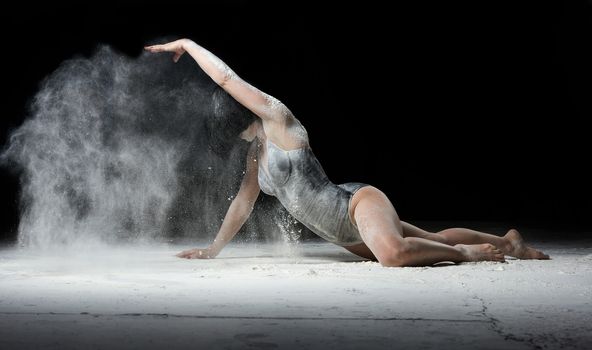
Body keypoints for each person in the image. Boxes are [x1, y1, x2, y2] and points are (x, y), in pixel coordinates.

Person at [145, 39, 549, 267]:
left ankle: (466, 252)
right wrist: (213, 249)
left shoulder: (279, 121)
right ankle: (508, 242)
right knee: (428, 240)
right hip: (344, 234)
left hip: (356, 205)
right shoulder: (257, 153)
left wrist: (186, 44)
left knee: (394, 255)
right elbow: (243, 204)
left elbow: (228, 78)